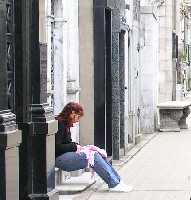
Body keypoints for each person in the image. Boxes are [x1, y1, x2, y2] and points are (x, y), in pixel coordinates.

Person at [55, 102, 133, 192]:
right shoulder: (59, 124)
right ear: (72, 113)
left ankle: (118, 181)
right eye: (78, 116)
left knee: (97, 154)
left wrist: (77, 146)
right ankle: (114, 184)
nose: (78, 120)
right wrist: (74, 147)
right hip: (59, 159)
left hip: (65, 156)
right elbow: (57, 148)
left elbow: (66, 143)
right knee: (94, 157)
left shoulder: (64, 124)